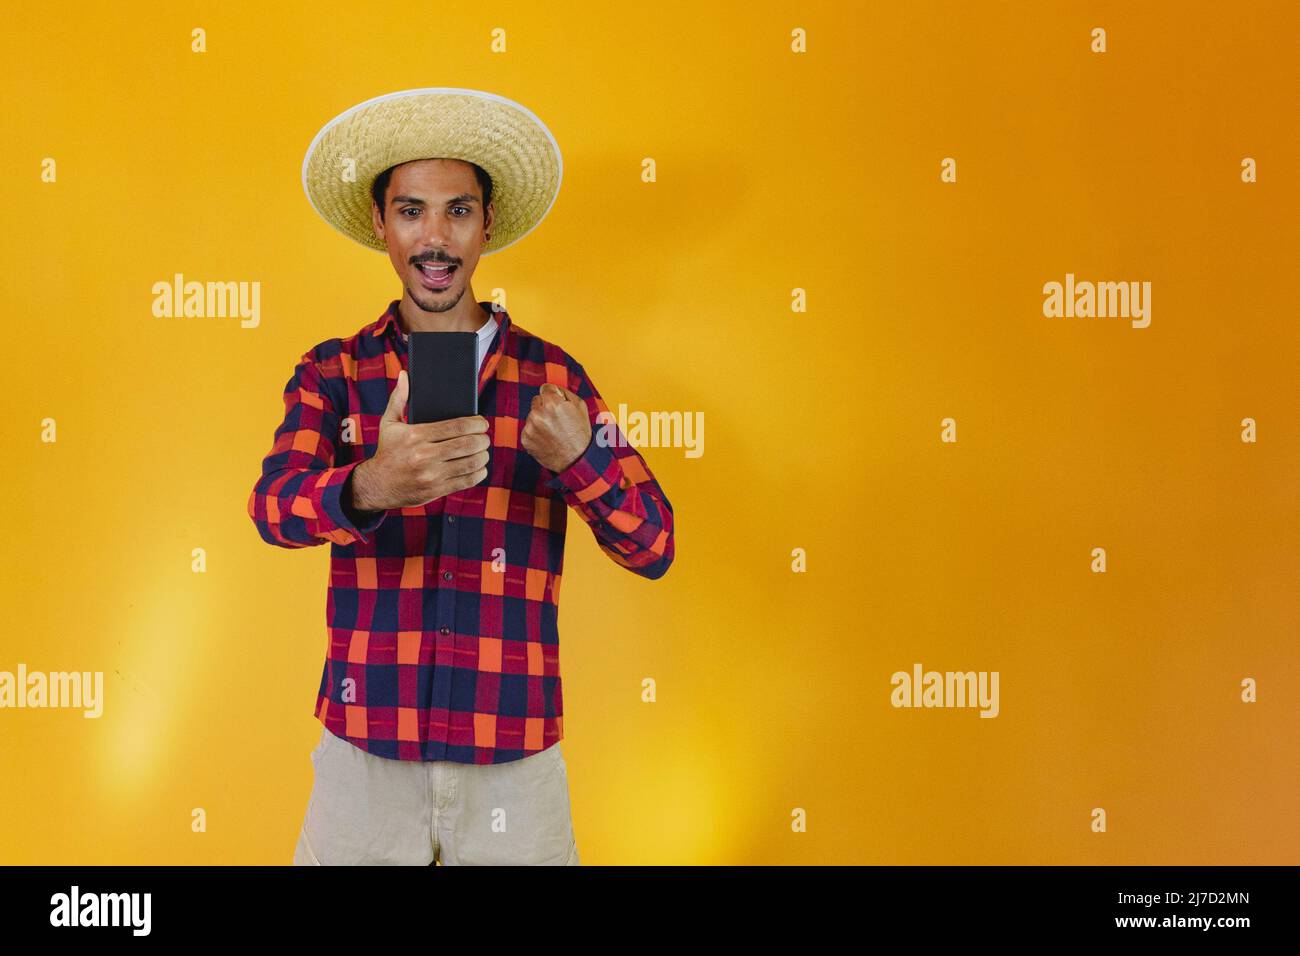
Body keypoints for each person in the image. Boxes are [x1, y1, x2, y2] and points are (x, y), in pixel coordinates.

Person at [247, 88, 675, 865]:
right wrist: (369, 485)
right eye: (410, 211)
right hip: (365, 757)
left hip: (513, 761)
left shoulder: (554, 377)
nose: (434, 238)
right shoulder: (332, 371)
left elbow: (655, 544)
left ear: (487, 225)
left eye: (458, 211)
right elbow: (271, 509)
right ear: (380, 223)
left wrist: (580, 460)